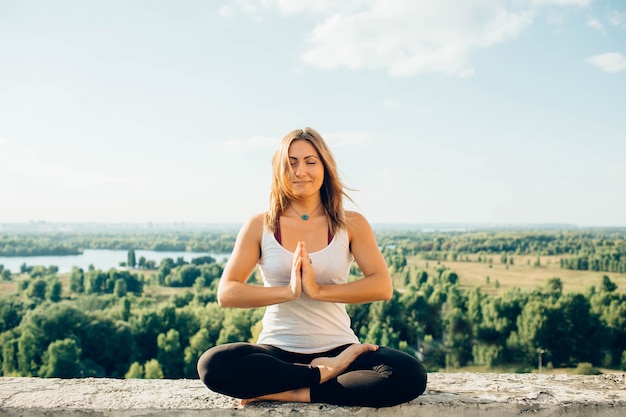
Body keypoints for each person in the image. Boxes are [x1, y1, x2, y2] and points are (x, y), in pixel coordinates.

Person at [197, 127, 427, 407]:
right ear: (279, 171)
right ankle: (318, 374)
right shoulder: (260, 225)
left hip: (339, 348)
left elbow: (381, 285)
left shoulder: (350, 223)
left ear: (325, 167)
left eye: (310, 161)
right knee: (213, 364)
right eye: (290, 163)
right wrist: (290, 291)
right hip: (277, 352)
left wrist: (317, 291)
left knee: (409, 375)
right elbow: (227, 292)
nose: (300, 171)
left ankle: (297, 389)